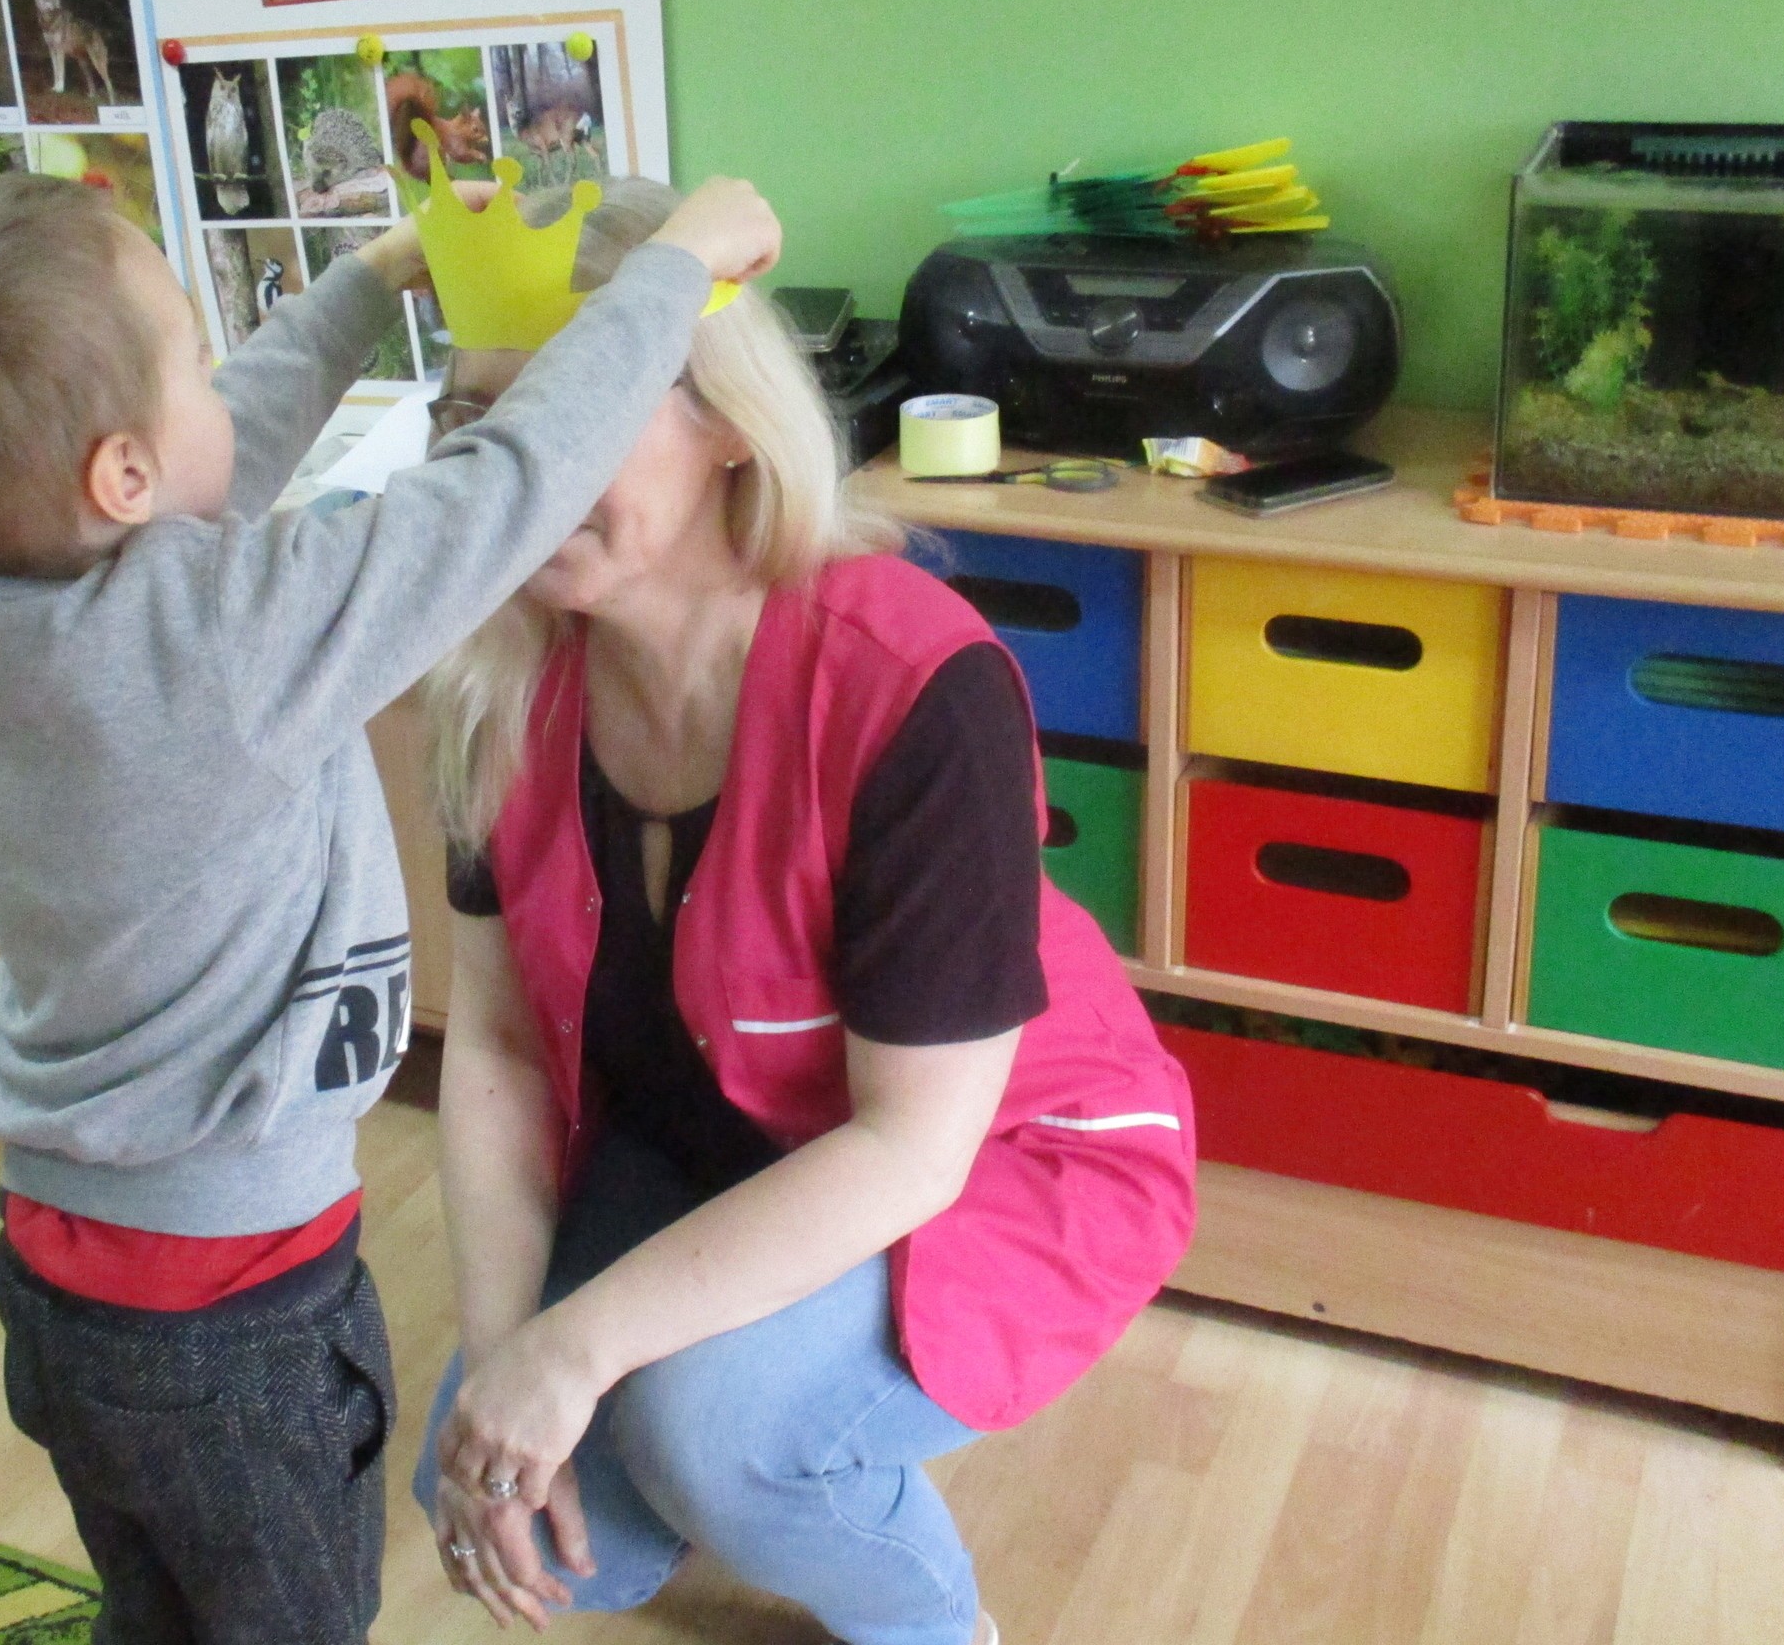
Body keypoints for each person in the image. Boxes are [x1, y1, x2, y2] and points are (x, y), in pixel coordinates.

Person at [0, 167, 780, 1644]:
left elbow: (208, 452)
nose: (226, 382)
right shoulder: (223, 643)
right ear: (121, 477)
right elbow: (505, 488)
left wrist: (376, 276)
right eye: (198, 355)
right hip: (232, 1310)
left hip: (65, 1274)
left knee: (157, 1612)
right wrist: (674, 271)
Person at [414, 181, 1199, 1645]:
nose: (515, 464)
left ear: (723, 418)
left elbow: (912, 1145)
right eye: (474, 418)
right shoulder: (493, 682)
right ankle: (726, 1420)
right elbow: (503, 1051)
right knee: (504, 1490)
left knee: (711, 1433)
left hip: (999, 1156)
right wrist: (507, 1357)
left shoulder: (913, 682)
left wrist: (577, 1352)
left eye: (573, 404)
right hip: (724, 1137)